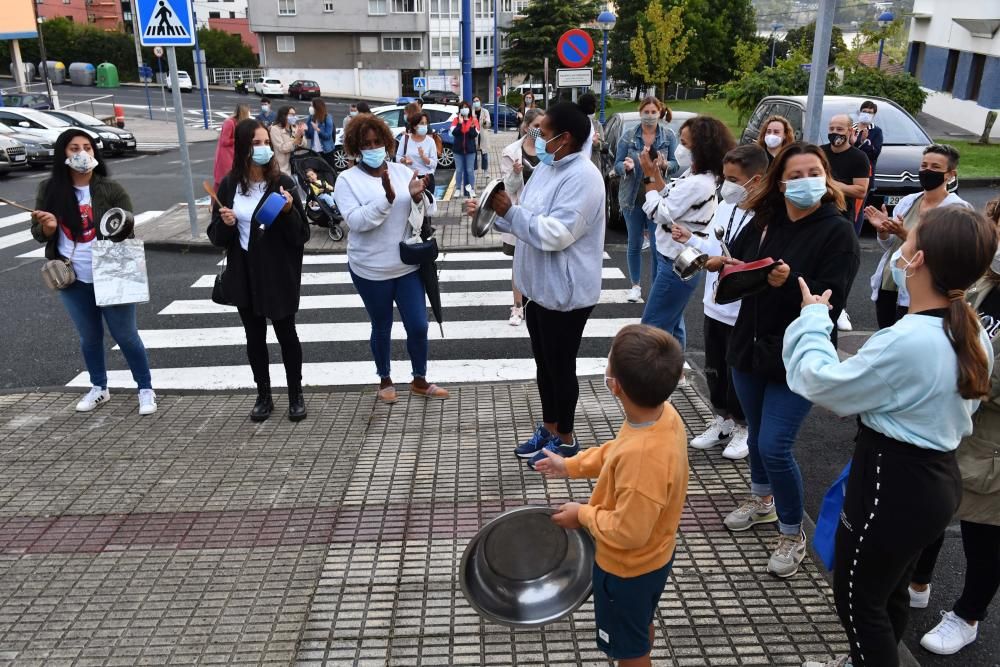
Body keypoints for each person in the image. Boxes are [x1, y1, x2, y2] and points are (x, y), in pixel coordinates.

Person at [789, 206, 996, 667]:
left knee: (859, 603)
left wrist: (813, 321)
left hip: (892, 484)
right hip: (933, 479)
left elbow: (822, 385)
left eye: (908, 239)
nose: (901, 246)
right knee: (888, 594)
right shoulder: (971, 328)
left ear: (918, 259)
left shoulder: (911, 338)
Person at [717, 142, 860, 578]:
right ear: (779, 183)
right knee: (758, 433)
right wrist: (723, 265)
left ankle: (792, 532)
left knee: (775, 446)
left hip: (797, 355)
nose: (804, 182)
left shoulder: (837, 232)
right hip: (748, 346)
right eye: (794, 175)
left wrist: (785, 282)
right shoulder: (766, 220)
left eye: (813, 172)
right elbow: (738, 263)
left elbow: (829, 300)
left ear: (827, 177)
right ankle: (762, 501)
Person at [534, 323, 688, 667]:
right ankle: (640, 647)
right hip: (656, 557)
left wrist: (582, 515)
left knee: (627, 651)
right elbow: (618, 450)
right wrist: (571, 465)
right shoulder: (662, 415)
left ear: (615, 385)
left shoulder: (644, 459)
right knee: (637, 629)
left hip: (626, 571)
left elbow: (628, 532)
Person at [465, 102, 606, 470]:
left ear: (565, 138)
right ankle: (549, 428)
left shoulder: (585, 178)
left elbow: (556, 233)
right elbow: (524, 215)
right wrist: (493, 211)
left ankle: (567, 439)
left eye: (542, 133)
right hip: (538, 286)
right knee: (544, 364)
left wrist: (508, 212)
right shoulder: (548, 167)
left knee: (561, 367)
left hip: (567, 293)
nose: (536, 139)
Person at [907, 197, 1000, 657]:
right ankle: (918, 582)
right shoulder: (985, 282)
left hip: (991, 440)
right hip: (957, 423)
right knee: (932, 513)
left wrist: (965, 375)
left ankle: (968, 616)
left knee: (983, 533)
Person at [30, 128, 157, 415]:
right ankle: (99, 387)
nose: (81, 154)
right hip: (72, 276)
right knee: (89, 336)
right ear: (63, 153)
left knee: (125, 335)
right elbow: (38, 232)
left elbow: (128, 228)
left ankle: (145, 387)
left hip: (113, 269)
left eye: (86, 147)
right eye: (74, 148)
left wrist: (117, 225)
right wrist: (48, 227)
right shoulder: (48, 190)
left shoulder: (110, 189)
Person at [333, 113, 449, 403]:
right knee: (381, 325)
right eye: (366, 143)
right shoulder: (346, 181)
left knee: (419, 324)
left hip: (406, 264)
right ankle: (384, 379)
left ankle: (419, 379)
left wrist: (418, 196)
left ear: (387, 142)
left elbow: (427, 212)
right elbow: (357, 222)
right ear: (356, 147)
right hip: (370, 268)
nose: (373, 148)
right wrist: (386, 198)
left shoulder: (400, 171)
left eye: (377, 142)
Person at [207, 119, 311, 422]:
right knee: (254, 338)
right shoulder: (229, 185)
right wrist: (224, 225)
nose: (263, 149)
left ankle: (296, 395)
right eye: (256, 143)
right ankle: (263, 395)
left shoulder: (283, 184)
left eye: (266, 142)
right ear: (242, 148)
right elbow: (216, 237)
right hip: (244, 273)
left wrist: (290, 211)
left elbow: (301, 235)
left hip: (278, 273)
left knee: (286, 334)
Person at [671, 144, 769, 460]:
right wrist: (692, 241)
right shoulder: (727, 206)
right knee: (715, 369)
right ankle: (723, 420)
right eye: (725, 177)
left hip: (743, 309)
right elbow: (716, 246)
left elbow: (761, 266)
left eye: (733, 178)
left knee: (740, 371)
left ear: (756, 180)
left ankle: (745, 426)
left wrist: (725, 264)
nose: (725, 184)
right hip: (715, 304)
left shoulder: (767, 217)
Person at [639, 115, 734, 350]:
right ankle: (677, 369)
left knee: (652, 327)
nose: (679, 148)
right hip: (671, 256)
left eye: (685, 143)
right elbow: (668, 196)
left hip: (677, 261)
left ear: (701, 148)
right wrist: (656, 175)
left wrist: (647, 176)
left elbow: (658, 211)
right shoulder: (695, 174)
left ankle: (654, 379)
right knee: (672, 321)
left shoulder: (700, 182)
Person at [865, 144, 970, 329]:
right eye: (924, 166)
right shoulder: (908, 201)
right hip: (889, 284)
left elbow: (946, 255)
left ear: (950, 175)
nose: (927, 171)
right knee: (887, 338)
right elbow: (890, 246)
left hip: (922, 290)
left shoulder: (957, 210)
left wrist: (904, 233)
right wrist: (883, 230)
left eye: (935, 167)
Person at [615, 96, 678, 303]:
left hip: (657, 197)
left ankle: (654, 287)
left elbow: (676, 164)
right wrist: (625, 167)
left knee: (656, 245)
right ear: (640, 112)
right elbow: (616, 165)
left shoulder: (668, 136)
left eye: (653, 112)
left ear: (660, 113)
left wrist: (665, 165)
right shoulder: (628, 136)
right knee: (634, 242)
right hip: (632, 197)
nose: (650, 116)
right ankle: (635, 285)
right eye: (646, 112)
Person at [821, 113, 870, 333]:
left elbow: (860, 190)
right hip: (816, 214)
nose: (835, 133)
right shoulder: (820, 152)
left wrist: (832, 184)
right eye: (832, 128)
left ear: (851, 131)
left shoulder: (858, 158)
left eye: (840, 129)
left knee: (840, 265)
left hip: (842, 217)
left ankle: (840, 307)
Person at [499, 108, 544, 327]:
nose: (540, 130)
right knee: (518, 263)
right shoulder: (511, 152)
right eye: (536, 126)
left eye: (543, 126)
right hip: (520, 212)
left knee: (539, 262)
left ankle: (536, 304)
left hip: (543, 215)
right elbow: (507, 189)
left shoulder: (550, 149)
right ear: (526, 127)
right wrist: (516, 173)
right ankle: (517, 307)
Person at [395, 111, 438, 189]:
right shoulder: (405, 139)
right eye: (422, 123)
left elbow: (434, 164)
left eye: (426, 123)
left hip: (426, 179)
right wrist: (404, 160)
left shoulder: (430, 141)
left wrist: (424, 158)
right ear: (414, 126)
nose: (425, 126)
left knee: (427, 201)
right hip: (409, 178)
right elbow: (398, 157)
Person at [854, 100, 884, 208]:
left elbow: (875, 153)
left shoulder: (876, 131)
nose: (867, 114)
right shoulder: (851, 128)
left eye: (870, 112)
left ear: (874, 114)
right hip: (848, 173)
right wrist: (859, 141)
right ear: (860, 112)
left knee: (859, 208)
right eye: (864, 111)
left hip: (865, 174)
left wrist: (863, 142)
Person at [214, 104, 251, 189]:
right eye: (248, 111)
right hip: (226, 156)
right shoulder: (229, 122)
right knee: (224, 179)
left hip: (234, 154)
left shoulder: (239, 122)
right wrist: (239, 139)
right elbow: (224, 141)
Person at [451, 101, 479, 198]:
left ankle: (471, 189)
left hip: (470, 150)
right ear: (460, 110)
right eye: (462, 107)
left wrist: (471, 127)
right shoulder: (455, 120)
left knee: (470, 170)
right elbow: (454, 132)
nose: (464, 109)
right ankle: (458, 189)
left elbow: (474, 134)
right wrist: (460, 123)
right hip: (458, 150)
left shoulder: (474, 120)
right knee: (459, 170)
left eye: (466, 107)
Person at [270, 105, 305, 177]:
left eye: (294, 114)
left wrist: (300, 137)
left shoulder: (295, 127)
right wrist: (296, 140)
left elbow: (304, 144)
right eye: (292, 114)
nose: (294, 117)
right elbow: (282, 148)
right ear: (284, 115)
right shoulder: (275, 129)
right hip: (281, 168)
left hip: (296, 165)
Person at [305, 97, 336, 170]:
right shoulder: (311, 117)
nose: (310, 108)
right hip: (314, 150)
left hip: (326, 150)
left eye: (312, 106)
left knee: (329, 171)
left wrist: (318, 130)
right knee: (317, 172)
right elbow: (309, 136)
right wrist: (305, 129)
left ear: (317, 107)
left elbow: (328, 136)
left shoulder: (327, 118)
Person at [577, 93, 605, 167]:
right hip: (578, 165)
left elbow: (602, 145)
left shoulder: (597, 125)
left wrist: (596, 143)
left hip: (593, 164)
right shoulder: (575, 124)